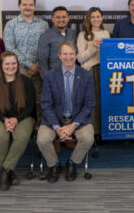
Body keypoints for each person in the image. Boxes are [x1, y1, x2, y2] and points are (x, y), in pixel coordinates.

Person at [36, 42, 95, 183]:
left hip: (78, 119)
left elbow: (89, 105)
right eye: (65, 54)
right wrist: (57, 127)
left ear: (76, 55)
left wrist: (73, 125)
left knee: (87, 138)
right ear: (59, 56)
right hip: (54, 119)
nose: (68, 57)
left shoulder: (86, 76)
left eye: (71, 54)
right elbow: (46, 104)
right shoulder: (50, 76)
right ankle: (54, 164)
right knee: (42, 139)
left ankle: (72, 162)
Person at [0, 52, 35, 191]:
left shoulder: (26, 81)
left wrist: (16, 119)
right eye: (7, 63)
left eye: (14, 63)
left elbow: (31, 106)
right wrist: (5, 119)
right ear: (1, 65)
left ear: (18, 65)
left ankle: (5, 170)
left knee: (22, 137)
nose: (11, 66)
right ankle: (10, 172)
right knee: (0, 137)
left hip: (22, 116)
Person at [3, 0, 49, 122]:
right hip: (19, 70)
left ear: (34, 6)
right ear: (19, 6)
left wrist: (37, 65)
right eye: (24, 4)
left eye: (31, 5)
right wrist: (29, 64)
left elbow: (46, 47)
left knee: (40, 101)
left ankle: (40, 127)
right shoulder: (11, 25)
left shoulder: (43, 24)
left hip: (39, 70)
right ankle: (24, 128)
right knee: (20, 101)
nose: (28, 7)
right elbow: (10, 48)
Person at [77, 7, 110, 135]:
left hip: (104, 72)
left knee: (104, 102)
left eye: (98, 16)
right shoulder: (83, 35)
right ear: (89, 19)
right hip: (89, 71)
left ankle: (103, 131)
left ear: (102, 18)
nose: (96, 19)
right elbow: (80, 59)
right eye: (93, 17)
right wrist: (93, 47)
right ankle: (93, 133)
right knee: (92, 103)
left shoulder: (106, 33)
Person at [38, 6, 77, 76]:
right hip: (54, 76)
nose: (61, 19)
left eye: (64, 17)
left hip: (72, 75)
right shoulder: (46, 36)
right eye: (58, 17)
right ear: (52, 19)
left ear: (68, 18)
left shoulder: (73, 33)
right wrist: (47, 79)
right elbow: (42, 61)